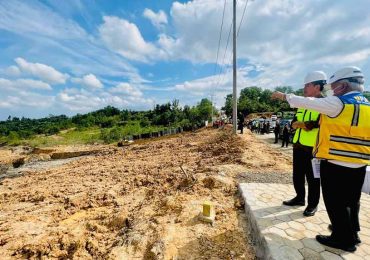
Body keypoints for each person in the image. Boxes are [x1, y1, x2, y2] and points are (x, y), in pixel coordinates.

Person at [272, 66, 369, 252]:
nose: (332, 90)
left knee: (335, 201)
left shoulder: (338, 103)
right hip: (359, 161)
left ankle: (342, 238)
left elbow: (304, 104)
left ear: (343, 85)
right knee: (351, 200)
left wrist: (284, 96)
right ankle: (351, 232)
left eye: (334, 86)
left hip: (336, 158)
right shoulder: (365, 104)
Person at [282, 71, 326, 218]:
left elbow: (315, 124)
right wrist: (301, 124)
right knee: (297, 175)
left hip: (313, 149)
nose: (304, 88)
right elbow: (294, 123)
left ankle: (312, 205)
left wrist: (303, 124)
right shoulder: (302, 104)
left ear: (317, 87)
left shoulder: (325, 104)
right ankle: (299, 198)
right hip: (298, 145)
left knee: (313, 178)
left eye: (307, 85)